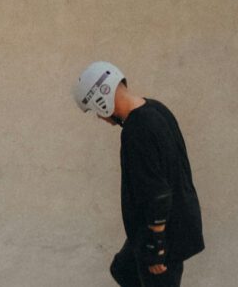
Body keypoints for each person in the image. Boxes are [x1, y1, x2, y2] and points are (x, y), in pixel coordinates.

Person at [73, 61, 204, 287]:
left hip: (162, 233)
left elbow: (158, 193)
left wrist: (156, 246)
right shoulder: (156, 108)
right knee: (123, 269)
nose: (99, 118)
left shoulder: (136, 131)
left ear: (101, 100)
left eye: (96, 111)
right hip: (171, 222)